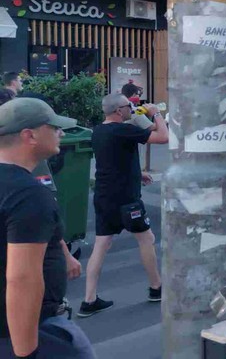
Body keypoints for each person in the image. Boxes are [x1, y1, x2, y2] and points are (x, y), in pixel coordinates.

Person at [0, 98, 94, 358]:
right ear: (29, 135)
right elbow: (22, 280)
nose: (61, 133)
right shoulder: (27, 194)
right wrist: (27, 352)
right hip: (26, 332)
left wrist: (62, 252)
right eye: (53, 127)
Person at [79, 93, 169, 318]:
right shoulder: (124, 130)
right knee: (146, 239)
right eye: (128, 106)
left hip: (104, 196)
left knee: (101, 246)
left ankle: (88, 299)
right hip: (127, 200)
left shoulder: (98, 131)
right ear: (119, 111)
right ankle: (156, 287)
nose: (132, 108)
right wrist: (155, 113)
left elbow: (114, 160)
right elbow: (164, 137)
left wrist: (138, 173)